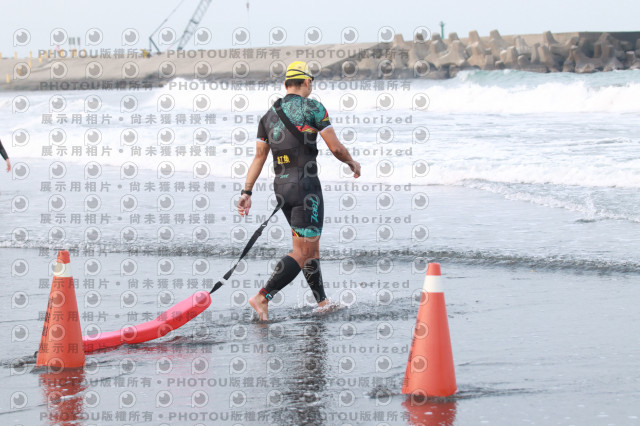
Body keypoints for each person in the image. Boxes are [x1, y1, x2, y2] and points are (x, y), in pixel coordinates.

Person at [237, 61, 361, 321]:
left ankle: (322, 302)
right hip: (306, 188)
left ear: (286, 85)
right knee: (303, 251)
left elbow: (259, 157)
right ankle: (263, 296)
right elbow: (336, 148)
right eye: (311, 81)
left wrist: (247, 192)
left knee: (308, 247)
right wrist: (351, 162)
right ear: (307, 82)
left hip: (282, 188)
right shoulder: (314, 108)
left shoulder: (268, 116)